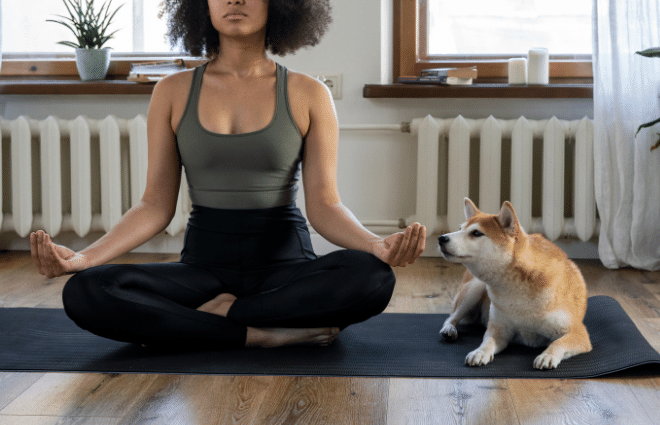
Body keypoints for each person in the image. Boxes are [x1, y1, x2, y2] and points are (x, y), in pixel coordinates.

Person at [30, 0, 426, 349]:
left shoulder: (309, 93)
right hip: (202, 269)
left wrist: (376, 246)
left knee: (373, 278)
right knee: (87, 291)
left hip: (284, 269)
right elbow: (153, 206)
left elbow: (325, 206)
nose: (235, 0)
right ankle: (256, 332)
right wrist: (84, 258)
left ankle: (218, 318)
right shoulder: (171, 91)